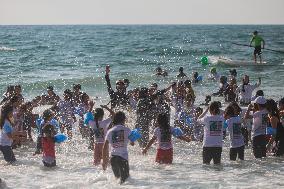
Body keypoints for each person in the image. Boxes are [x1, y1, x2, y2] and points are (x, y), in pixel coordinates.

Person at [102, 111, 134, 184]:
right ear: (123, 120)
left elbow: (104, 147)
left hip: (113, 159)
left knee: (117, 180)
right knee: (125, 182)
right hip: (122, 159)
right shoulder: (127, 130)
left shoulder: (110, 131)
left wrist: (104, 161)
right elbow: (132, 143)